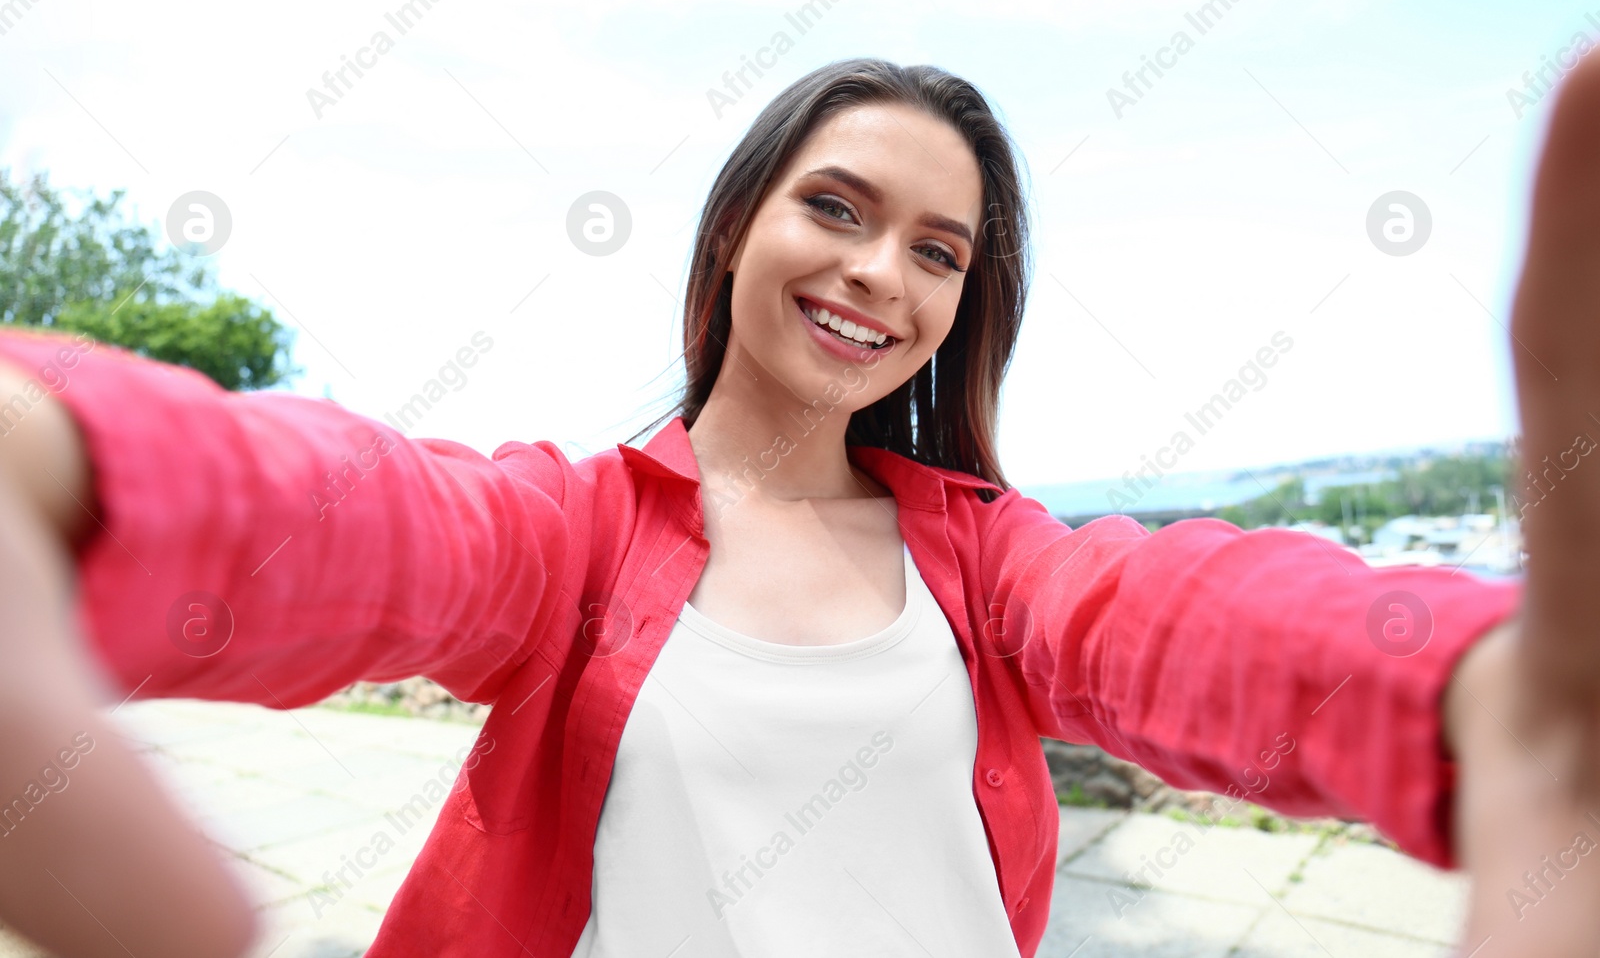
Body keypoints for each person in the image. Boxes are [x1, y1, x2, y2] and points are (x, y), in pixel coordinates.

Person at [0, 55, 1595, 958]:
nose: (876, 271)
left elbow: (1192, 620)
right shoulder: (573, 537)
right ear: (729, 241)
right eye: (834, 206)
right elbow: (362, 521)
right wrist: (65, 460)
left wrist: (1477, 693)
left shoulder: (993, 563)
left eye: (937, 249)